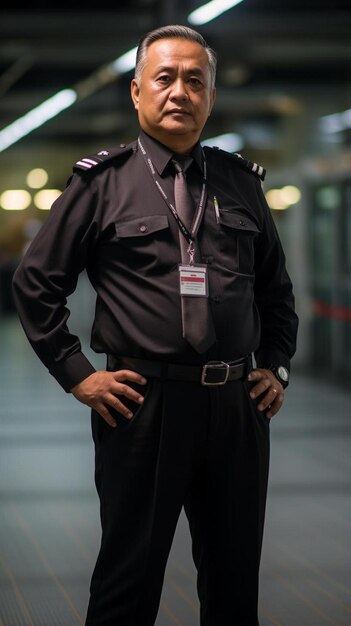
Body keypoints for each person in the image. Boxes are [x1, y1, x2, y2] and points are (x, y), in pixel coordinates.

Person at [12, 24, 298, 626]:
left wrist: (277, 365)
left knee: (233, 579)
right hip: (141, 406)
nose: (180, 92)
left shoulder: (240, 184)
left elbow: (277, 291)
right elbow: (35, 284)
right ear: (138, 91)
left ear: (211, 97)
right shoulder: (102, 183)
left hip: (236, 410)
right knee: (127, 582)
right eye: (164, 78)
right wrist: (77, 376)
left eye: (196, 80)